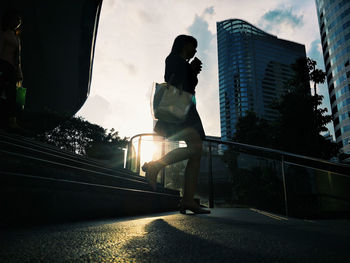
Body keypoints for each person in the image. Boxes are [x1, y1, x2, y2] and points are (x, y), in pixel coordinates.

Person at [142, 35, 210, 214]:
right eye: (192, 46)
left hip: (186, 107)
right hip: (179, 109)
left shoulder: (185, 64)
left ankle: (188, 200)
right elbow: (173, 80)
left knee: (197, 152)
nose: (195, 50)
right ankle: (155, 165)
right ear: (183, 44)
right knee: (196, 149)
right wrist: (190, 71)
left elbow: (189, 88)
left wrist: (193, 72)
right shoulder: (172, 59)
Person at [0, 10, 23, 130]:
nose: (18, 22)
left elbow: (17, 57)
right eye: (16, 20)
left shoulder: (16, 36)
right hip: (3, 65)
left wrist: (19, 72)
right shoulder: (4, 34)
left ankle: (12, 122)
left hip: (12, 69)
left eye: (19, 21)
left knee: (12, 95)